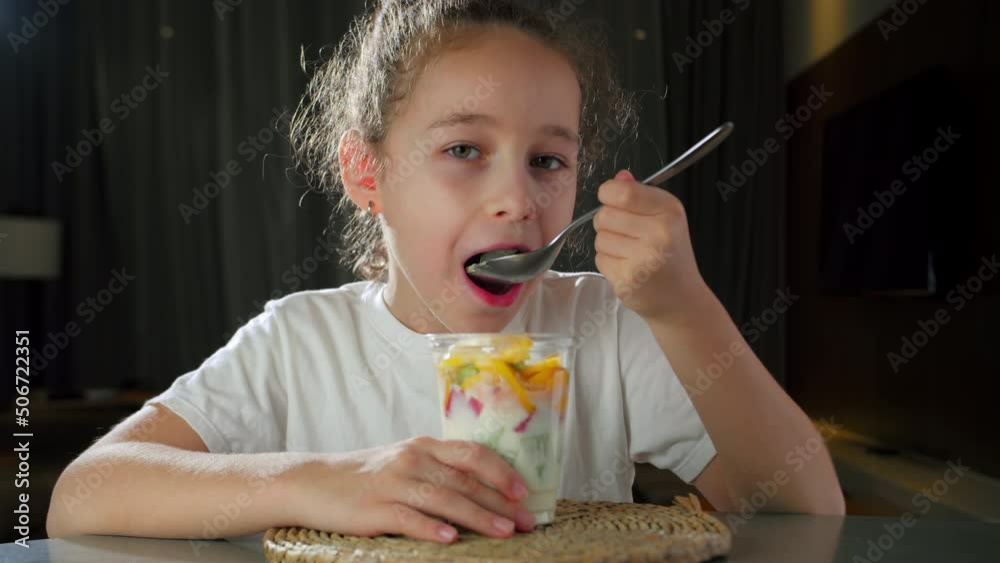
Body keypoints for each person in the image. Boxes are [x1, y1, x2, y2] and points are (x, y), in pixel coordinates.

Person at [46, 0, 844, 544]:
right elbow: (80, 497)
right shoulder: (299, 341)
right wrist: (321, 481)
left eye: (548, 160)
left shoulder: (605, 323)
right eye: (464, 149)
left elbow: (809, 510)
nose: (517, 199)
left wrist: (684, 309)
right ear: (368, 174)